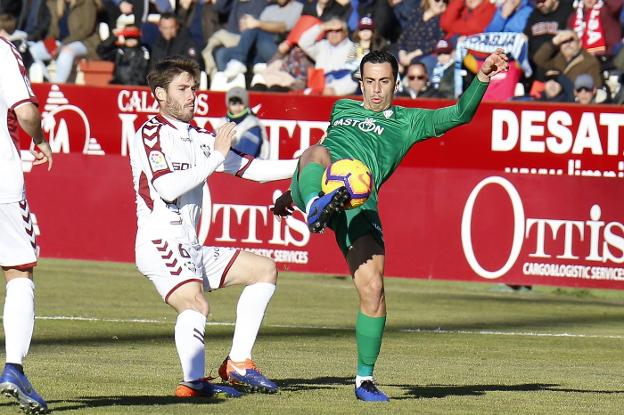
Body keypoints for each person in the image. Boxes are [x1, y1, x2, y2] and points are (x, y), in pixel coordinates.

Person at [271, 49, 508, 401]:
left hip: (360, 206)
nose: (376, 90)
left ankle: (364, 380)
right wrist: (296, 195)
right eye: (369, 82)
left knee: (374, 290)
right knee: (316, 152)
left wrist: (482, 78)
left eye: (384, 82)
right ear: (361, 82)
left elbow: (459, 114)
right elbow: (319, 155)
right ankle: (315, 206)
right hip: (322, 187)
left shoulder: (409, 121)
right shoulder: (342, 109)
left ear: (396, 83)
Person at [130, 56, 297, 398]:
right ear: (160, 94)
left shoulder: (200, 136)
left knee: (264, 270)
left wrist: (306, 162)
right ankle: (192, 384)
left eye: (193, 88)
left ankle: (238, 363)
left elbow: (255, 169)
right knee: (195, 304)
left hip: (190, 245)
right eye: (182, 88)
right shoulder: (150, 133)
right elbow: (167, 188)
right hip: (160, 240)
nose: (192, 95)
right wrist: (216, 158)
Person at [0, 37, 53, 415]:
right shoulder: (2, 48)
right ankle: (13, 369)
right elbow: (26, 112)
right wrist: (39, 139)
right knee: (19, 271)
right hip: (1, 182)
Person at [224, 86, 269, 158]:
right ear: (228, 104)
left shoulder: (253, 124)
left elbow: (245, 155)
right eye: (234, 103)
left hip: (254, 165)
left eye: (241, 103)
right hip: (229, 164)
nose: (237, 107)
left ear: (246, 103)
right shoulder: (222, 123)